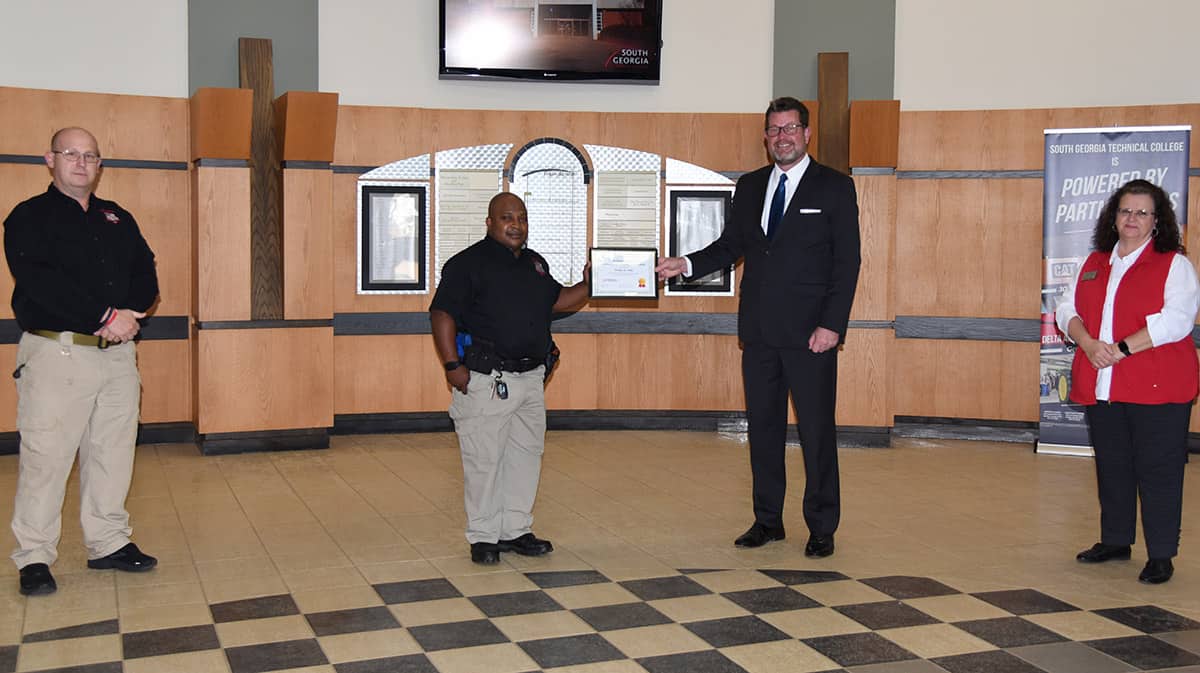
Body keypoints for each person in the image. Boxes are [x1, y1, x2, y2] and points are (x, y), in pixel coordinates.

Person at [656, 97, 861, 557]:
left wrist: (832, 326)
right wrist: (685, 262)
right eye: (774, 130)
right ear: (766, 137)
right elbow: (731, 246)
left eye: (790, 128)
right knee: (763, 430)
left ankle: (822, 525)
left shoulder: (834, 187)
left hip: (813, 338)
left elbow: (847, 263)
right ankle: (767, 520)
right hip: (760, 334)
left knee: (816, 432)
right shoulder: (749, 187)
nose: (782, 137)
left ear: (807, 134)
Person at [4, 127, 160, 596]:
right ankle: (33, 555)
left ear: (99, 165)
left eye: (89, 155)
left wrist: (127, 318)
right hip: (59, 353)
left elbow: (145, 272)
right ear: (49, 160)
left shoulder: (118, 218)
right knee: (47, 458)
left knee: (112, 454)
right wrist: (103, 316)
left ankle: (108, 542)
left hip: (117, 357)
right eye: (70, 153)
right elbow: (39, 282)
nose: (80, 162)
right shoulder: (29, 217)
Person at [429, 192, 588, 564]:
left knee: (525, 456)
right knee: (484, 459)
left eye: (521, 217)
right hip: (487, 379)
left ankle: (516, 530)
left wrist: (594, 282)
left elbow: (559, 300)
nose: (515, 224)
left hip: (531, 379)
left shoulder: (534, 264)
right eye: (507, 217)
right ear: (490, 222)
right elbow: (441, 315)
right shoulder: (467, 264)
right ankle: (484, 536)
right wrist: (453, 366)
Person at [1055, 179, 1199, 584]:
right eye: (1125, 211)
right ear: (1113, 217)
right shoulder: (1094, 263)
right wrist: (1086, 341)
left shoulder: (1174, 264)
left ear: (1157, 221)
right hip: (1103, 384)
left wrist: (1118, 349)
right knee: (1113, 466)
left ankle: (1161, 554)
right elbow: (1066, 308)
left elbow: (1175, 321)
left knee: (1158, 470)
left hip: (1158, 386)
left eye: (1142, 212)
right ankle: (1116, 540)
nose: (1132, 218)